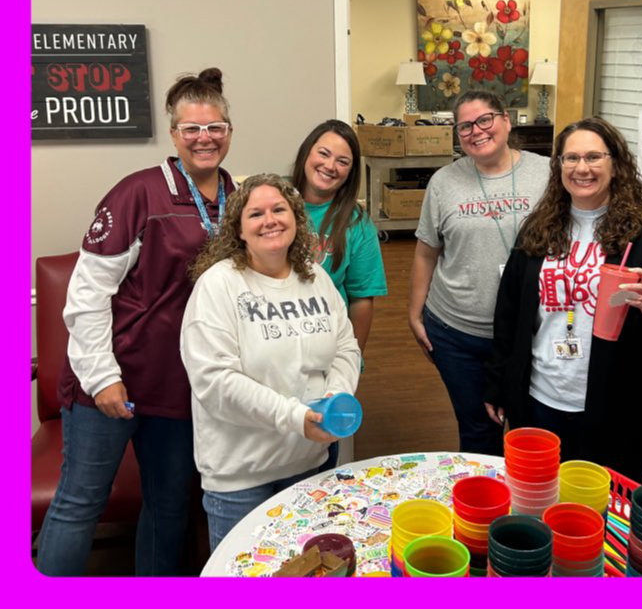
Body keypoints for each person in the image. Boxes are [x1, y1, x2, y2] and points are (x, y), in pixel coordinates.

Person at [35, 69, 237, 576]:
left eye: (214, 126)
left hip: (180, 388)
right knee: (81, 503)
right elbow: (86, 295)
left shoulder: (237, 198)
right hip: (114, 384)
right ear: (174, 134)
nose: (204, 138)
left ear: (229, 130)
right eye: (191, 128)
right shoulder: (138, 193)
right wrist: (102, 377)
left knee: (169, 507)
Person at [483, 118, 642, 480]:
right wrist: (499, 383)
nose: (582, 168)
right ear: (559, 167)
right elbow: (508, 314)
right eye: (571, 158)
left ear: (616, 165)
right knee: (540, 498)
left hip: (616, 407)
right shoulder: (540, 228)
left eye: (594, 157)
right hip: (540, 398)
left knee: (602, 514)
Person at [181, 174, 361, 551]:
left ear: (296, 218)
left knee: (312, 575)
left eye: (279, 209)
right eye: (256, 214)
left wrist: (335, 398)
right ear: (239, 229)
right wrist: (296, 418)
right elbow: (216, 383)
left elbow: (346, 348)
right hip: (241, 477)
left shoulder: (316, 280)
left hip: (311, 463)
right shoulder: (218, 286)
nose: (270, 220)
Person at [408, 90, 545, 454]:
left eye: (485, 119)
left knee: (530, 434)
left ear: (505, 120)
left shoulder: (546, 174)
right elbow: (426, 253)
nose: (476, 131)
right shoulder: (443, 183)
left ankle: (526, 507)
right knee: (478, 432)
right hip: (457, 332)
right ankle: (487, 510)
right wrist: (414, 314)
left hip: (529, 333)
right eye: (465, 126)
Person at [290, 120, 387, 352]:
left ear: (350, 173)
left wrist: (354, 357)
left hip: (327, 343)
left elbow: (361, 300)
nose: (330, 166)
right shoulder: (274, 198)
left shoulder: (358, 224)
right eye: (324, 153)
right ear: (307, 152)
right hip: (272, 335)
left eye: (342, 162)